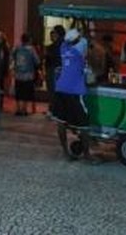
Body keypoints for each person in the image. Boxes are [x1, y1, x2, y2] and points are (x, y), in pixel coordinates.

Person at [50, 28, 95, 162]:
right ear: (76, 40)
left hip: (61, 89)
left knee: (61, 122)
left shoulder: (63, 48)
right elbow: (85, 39)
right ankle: (87, 155)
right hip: (75, 91)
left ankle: (66, 153)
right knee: (84, 124)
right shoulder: (79, 49)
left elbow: (70, 39)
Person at [12, 33, 40, 116]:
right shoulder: (31, 50)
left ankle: (18, 109)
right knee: (26, 93)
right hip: (28, 75)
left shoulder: (17, 48)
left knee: (18, 92)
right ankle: (24, 109)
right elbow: (37, 61)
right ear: (29, 40)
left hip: (18, 74)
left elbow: (12, 57)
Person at [44, 25, 65, 100]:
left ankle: (54, 108)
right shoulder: (66, 45)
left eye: (54, 33)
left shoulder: (54, 47)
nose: (52, 34)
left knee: (54, 92)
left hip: (54, 70)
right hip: (56, 70)